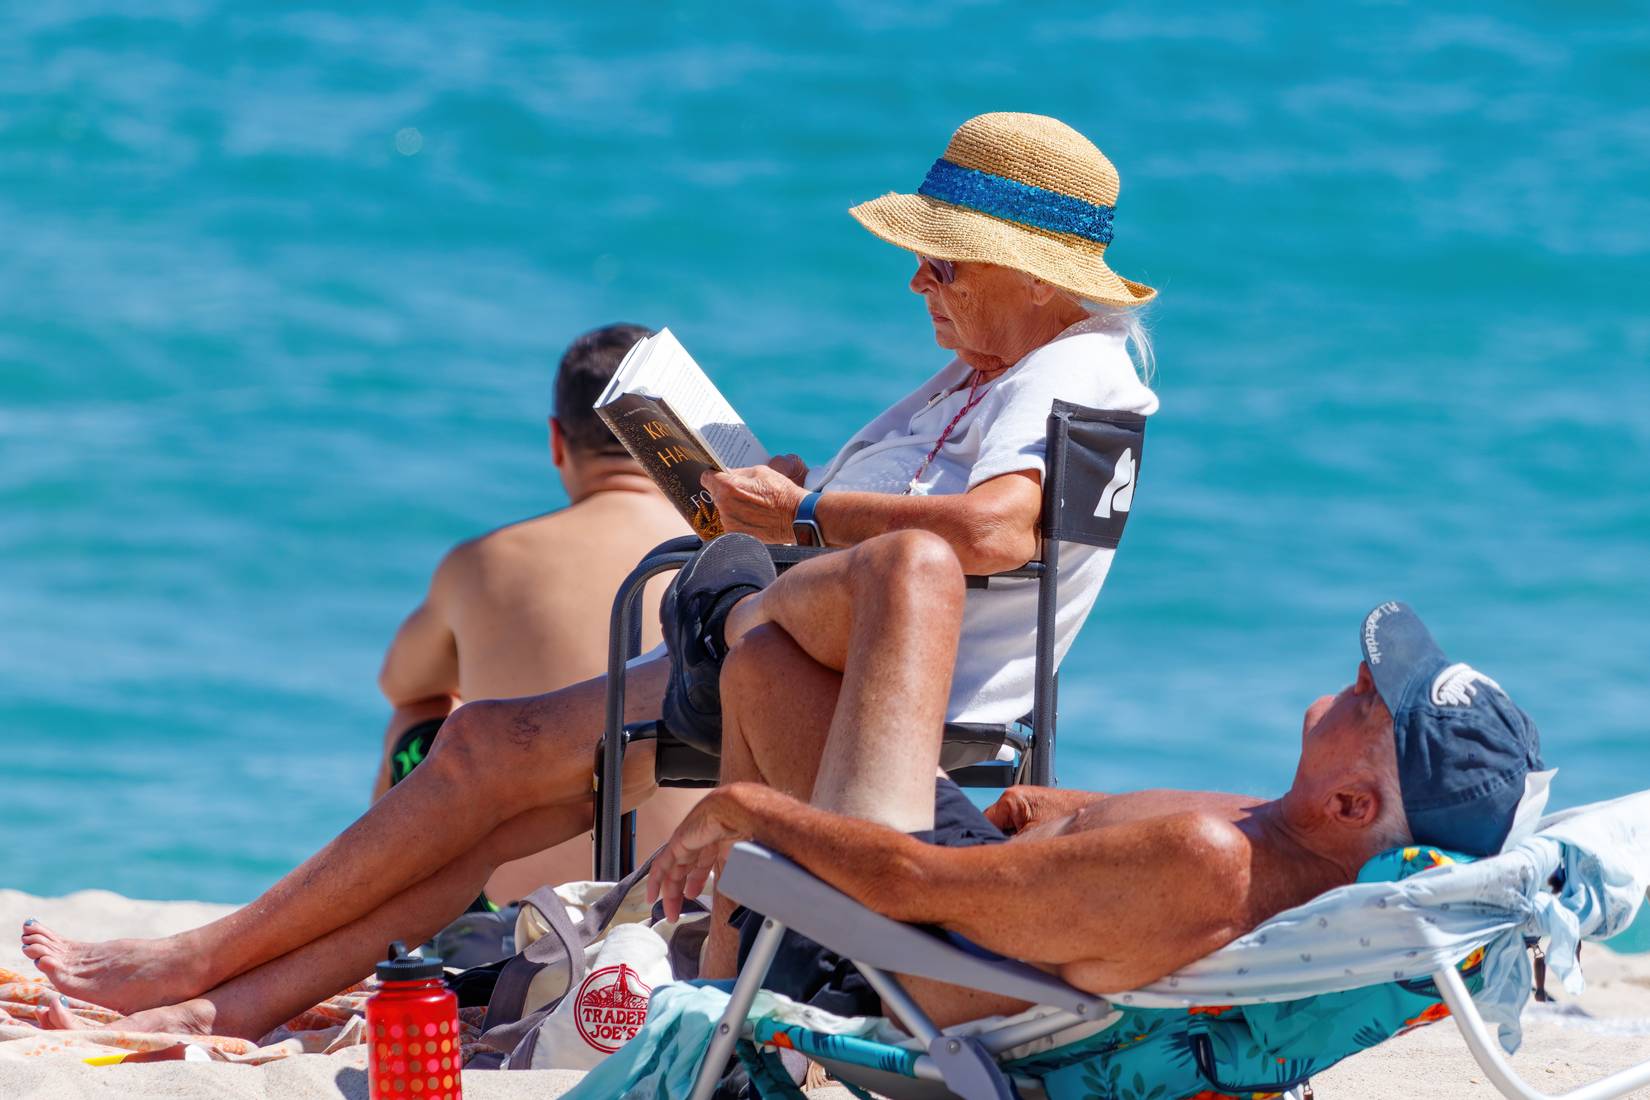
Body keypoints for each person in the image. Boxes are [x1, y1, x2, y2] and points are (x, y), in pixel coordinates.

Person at [20, 111, 1159, 1030]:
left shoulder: (1081, 374)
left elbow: (1000, 531)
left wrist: (804, 509)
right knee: (486, 762)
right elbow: (924, 520)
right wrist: (788, 500)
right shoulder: (991, 370)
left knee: (482, 752)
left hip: (873, 694)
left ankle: (191, 967)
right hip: (799, 643)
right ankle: (227, 987)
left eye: (941, 259)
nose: (919, 281)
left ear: (1036, 274)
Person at [648, 574, 1548, 1028]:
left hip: (906, 962)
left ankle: (728, 1005)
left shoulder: (1212, 862)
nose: (1360, 676)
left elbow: (915, 888)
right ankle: (728, 981)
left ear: (1351, 807)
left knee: (886, 587)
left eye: (1375, 701)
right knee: (767, 665)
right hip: (971, 894)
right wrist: (1067, 820)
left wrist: (745, 810)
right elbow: (1123, 870)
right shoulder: (1281, 844)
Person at [372, 322, 698, 903]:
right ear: (688, 439)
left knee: (421, 715)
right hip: (690, 895)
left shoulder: (482, 561)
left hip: (520, 911)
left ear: (556, 441)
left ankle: (393, 924)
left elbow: (398, 682)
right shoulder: (730, 559)